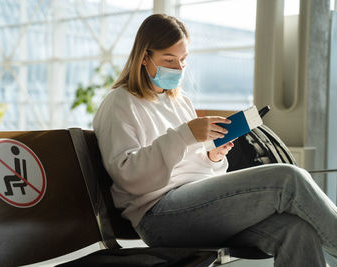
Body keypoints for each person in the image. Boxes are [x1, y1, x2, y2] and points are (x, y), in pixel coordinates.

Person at [92, 14, 337, 267]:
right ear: (144, 57)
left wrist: (212, 157)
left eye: (183, 60)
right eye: (169, 60)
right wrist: (186, 134)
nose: (178, 69)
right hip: (158, 215)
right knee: (289, 178)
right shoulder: (119, 103)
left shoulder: (179, 101)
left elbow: (193, 167)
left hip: (198, 208)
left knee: (296, 230)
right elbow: (127, 175)